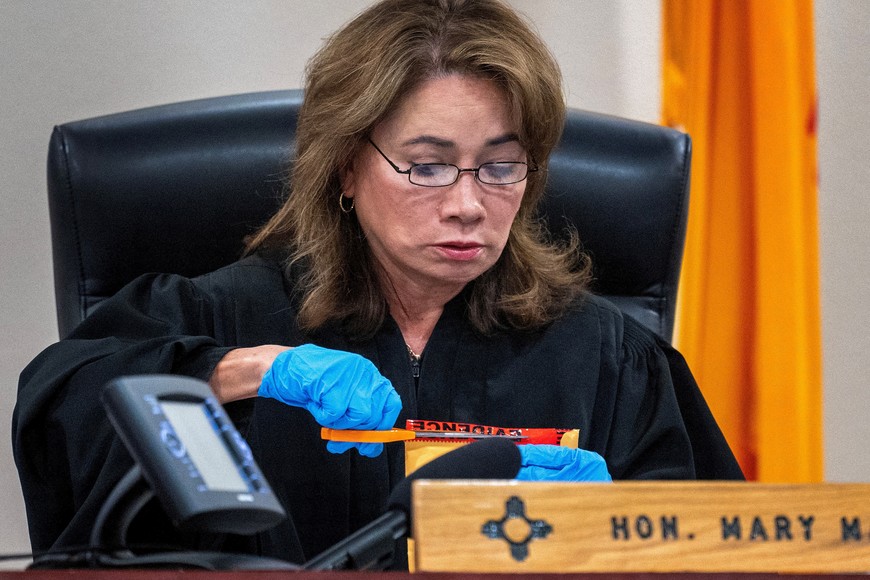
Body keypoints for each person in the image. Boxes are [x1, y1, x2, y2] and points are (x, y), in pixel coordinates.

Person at [13, 0, 743, 568]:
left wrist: (620, 528)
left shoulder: (607, 357)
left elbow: (717, 551)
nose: (467, 203)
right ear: (344, 167)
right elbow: (61, 410)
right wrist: (250, 371)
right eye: (427, 166)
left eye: (501, 166)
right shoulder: (217, 312)